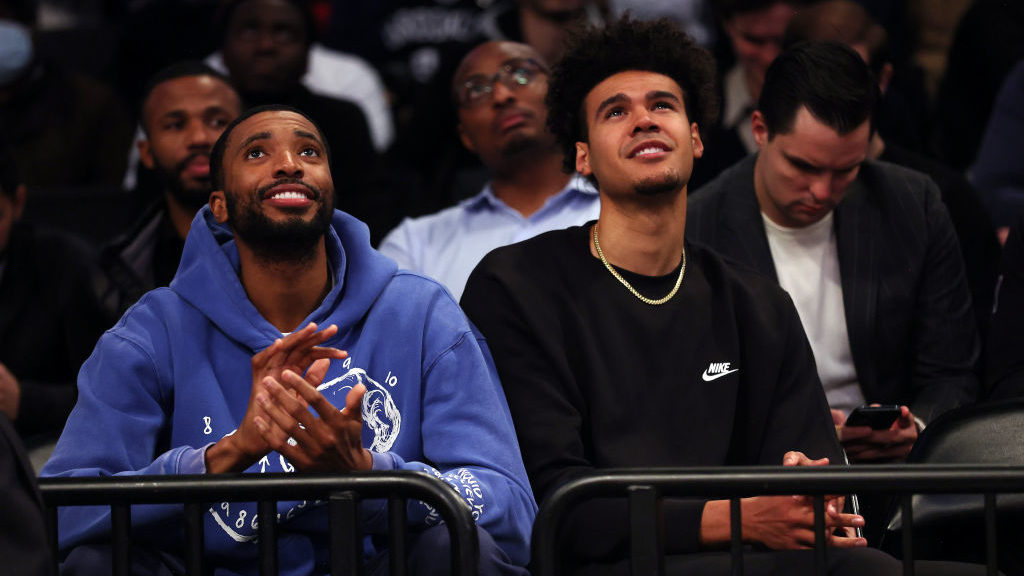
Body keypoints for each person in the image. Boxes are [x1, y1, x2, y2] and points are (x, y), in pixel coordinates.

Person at [462, 17, 900, 574]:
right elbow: (557, 505)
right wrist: (739, 519)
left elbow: (814, 480)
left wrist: (810, 498)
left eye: (662, 104)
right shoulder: (515, 286)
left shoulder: (757, 302)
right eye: (615, 111)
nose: (643, 118)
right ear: (583, 157)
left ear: (695, 139)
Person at [41, 105, 535, 575]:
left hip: (377, 565)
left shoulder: (421, 313)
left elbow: (508, 505)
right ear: (220, 207)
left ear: (329, 188)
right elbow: (62, 509)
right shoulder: (153, 330)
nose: (289, 165)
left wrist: (366, 474)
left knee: (454, 547)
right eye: (257, 153)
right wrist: (228, 455)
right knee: (95, 564)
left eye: (310, 153)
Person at [687, 41, 978, 461]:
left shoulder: (912, 205)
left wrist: (916, 429)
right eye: (803, 166)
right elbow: (695, 394)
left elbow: (952, 373)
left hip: (893, 474)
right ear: (760, 130)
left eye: (846, 170)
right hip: (762, 478)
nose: (822, 191)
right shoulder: (698, 228)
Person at [783, 0, 1000, 358]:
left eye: (850, 79)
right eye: (814, 81)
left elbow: (960, 362)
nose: (832, 99)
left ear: (883, 80)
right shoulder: (736, 199)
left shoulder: (943, 200)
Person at [379, 41, 600, 300]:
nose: (501, 95)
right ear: (465, 137)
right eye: (477, 90)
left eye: (520, 74)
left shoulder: (622, 212)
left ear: (558, 97)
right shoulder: (415, 245)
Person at [214, 0, 396, 244]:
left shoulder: (343, 120)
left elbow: (366, 219)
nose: (265, 46)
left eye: (284, 33)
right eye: (249, 31)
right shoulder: (202, 126)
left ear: (309, 53)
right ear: (222, 51)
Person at [98, 61, 243, 320]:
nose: (199, 138)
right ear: (147, 153)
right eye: (175, 125)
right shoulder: (113, 271)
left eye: (217, 121)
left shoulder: (299, 243)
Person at [0, 142, 108, 454]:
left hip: (45, 445)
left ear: (17, 202)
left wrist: (23, 400)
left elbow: (110, 393)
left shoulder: (65, 265)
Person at [688, 0, 809, 190]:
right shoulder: (695, 109)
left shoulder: (836, 102)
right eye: (754, 40)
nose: (770, 57)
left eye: (784, 42)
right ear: (728, 26)